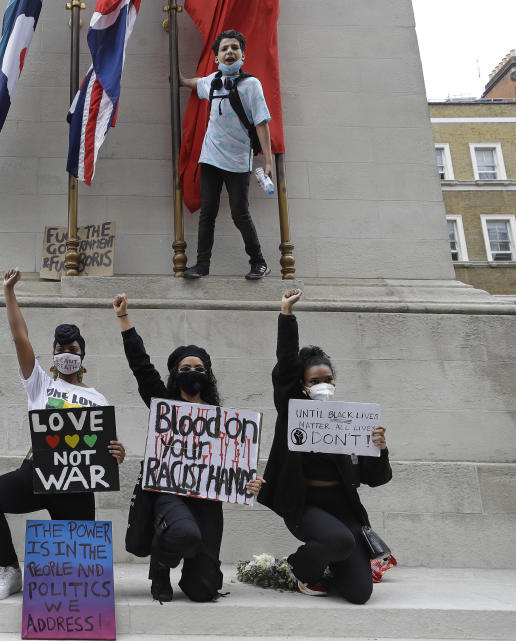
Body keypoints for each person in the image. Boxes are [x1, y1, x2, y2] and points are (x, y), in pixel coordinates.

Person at [0, 269, 126, 601]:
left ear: (81, 354)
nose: (66, 352)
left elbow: (105, 445)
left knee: (77, 570)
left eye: (72, 347)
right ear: (54, 355)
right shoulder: (41, 383)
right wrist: (8, 292)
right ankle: (10, 570)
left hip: (77, 485)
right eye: (60, 348)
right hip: (35, 472)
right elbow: (20, 337)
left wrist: (117, 451)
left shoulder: (98, 398)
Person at [114, 293, 263, 603]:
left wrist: (248, 480)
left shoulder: (223, 419)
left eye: (199, 367)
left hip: (207, 501)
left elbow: (234, 462)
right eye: (185, 367)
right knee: (185, 534)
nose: (192, 372)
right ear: (175, 374)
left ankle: (192, 570)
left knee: (204, 589)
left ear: (207, 375)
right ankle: (161, 565)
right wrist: (124, 320)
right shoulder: (164, 404)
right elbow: (142, 368)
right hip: (168, 493)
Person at [256, 289, 391, 604]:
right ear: (303, 385)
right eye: (314, 381)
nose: (322, 385)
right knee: (340, 541)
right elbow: (286, 368)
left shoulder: (352, 422)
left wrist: (379, 448)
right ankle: (297, 568)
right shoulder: (292, 411)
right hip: (304, 507)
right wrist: (286, 315)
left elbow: (376, 477)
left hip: (343, 511)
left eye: (327, 379)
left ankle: (329, 566)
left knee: (359, 593)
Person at [179, 29, 273, 280]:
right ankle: (202, 266)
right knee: (207, 213)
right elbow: (194, 82)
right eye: (224, 49)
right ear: (217, 58)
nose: (229, 51)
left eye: (234, 47)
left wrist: (268, 160)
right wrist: (179, 79)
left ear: (243, 54)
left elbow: (262, 123)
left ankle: (259, 262)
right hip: (210, 157)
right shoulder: (212, 81)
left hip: (238, 160)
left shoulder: (252, 85)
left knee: (239, 213)